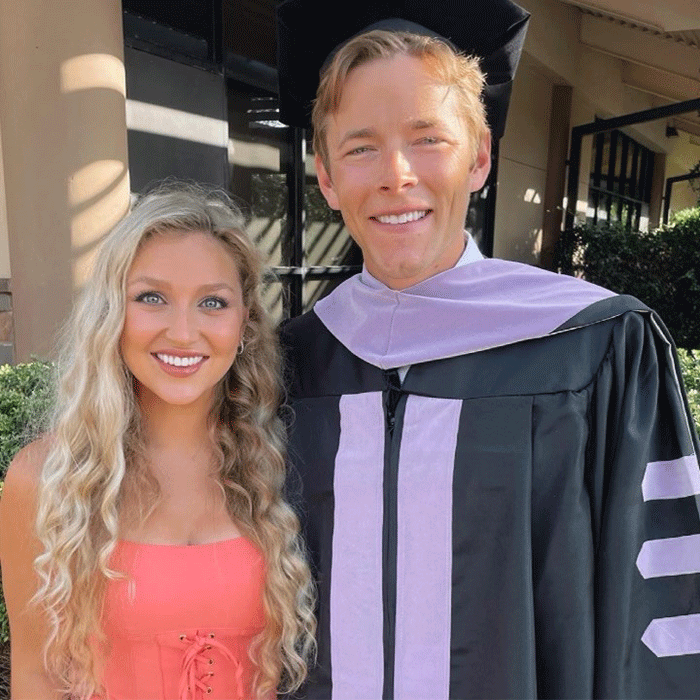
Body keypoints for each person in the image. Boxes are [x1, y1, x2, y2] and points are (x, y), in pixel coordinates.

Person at [276, 1, 700, 697]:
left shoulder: (594, 349)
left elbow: (661, 613)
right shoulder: (287, 365)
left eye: (428, 139)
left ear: (479, 158)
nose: (397, 175)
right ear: (325, 178)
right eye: (360, 147)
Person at [0, 184, 315, 700]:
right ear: (111, 316)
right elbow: (35, 676)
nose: (184, 332)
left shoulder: (277, 467)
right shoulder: (43, 478)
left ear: (244, 325)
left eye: (213, 302)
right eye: (152, 298)